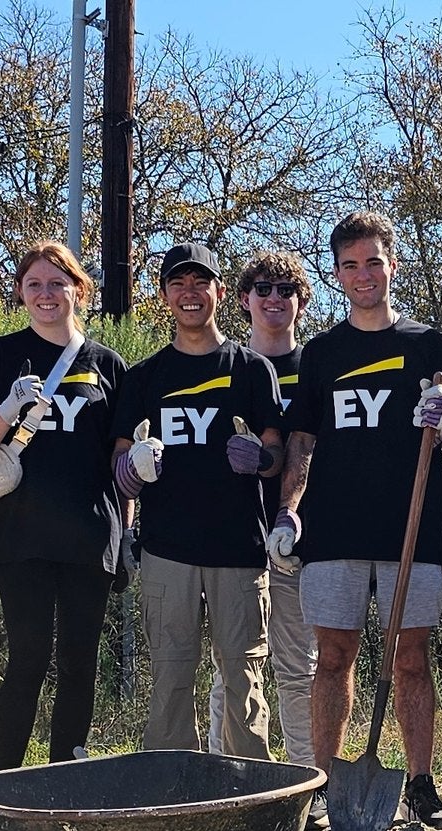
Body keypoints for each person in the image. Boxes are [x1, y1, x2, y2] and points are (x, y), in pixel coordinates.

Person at [276, 210, 442, 830]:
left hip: (412, 530)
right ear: (336, 274)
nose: (363, 275)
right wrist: (288, 513)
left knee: (411, 656)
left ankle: (420, 781)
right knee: (334, 655)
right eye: (350, 265)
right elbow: (301, 442)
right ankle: (327, 783)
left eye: (373, 262)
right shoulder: (322, 353)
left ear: (393, 265)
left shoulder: (430, 347)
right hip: (336, 531)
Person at [111, 242, 285, 756]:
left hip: (240, 552)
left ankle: (250, 796)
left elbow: (278, 452)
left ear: (220, 292)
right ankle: (171, 796)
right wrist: (133, 468)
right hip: (167, 551)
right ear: (164, 295)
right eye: (179, 284)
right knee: (169, 681)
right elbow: (119, 467)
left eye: (200, 282)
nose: (191, 294)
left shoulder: (253, 369)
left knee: (244, 683)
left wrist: (260, 459)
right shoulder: (144, 378)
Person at [0, 240, 128, 769]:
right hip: (22, 540)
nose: (46, 294)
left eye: (58, 283)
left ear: (80, 290)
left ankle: (64, 779)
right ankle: (4, 782)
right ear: (20, 293)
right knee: (27, 660)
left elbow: (118, 464)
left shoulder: (108, 364)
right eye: (34, 284)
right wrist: (9, 406)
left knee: (80, 664)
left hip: (90, 538)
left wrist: (125, 539)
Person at [234, 248, 316, 764]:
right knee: (235, 666)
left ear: (301, 302)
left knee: (300, 666)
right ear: (244, 299)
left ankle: (312, 781)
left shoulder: (318, 365)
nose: (273, 298)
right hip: (238, 535)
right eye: (262, 289)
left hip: (302, 535)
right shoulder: (228, 365)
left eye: (285, 290)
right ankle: (237, 778)